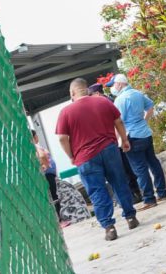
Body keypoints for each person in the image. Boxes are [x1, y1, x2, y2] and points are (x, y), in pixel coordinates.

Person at [55, 78, 139, 241]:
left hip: (85, 157)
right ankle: (130, 217)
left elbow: (62, 138)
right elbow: (118, 121)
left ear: (72, 93)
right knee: (119, 183)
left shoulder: (65, 112)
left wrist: (71, 156)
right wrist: (124, 140)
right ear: (86, 89)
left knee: (97, 191)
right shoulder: (103, 101)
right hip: (109, 150)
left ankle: (109, 228)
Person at [109, 73, 166, 210]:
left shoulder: (120, 100)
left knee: (140, 169)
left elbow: (119, 122)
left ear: (120, 84)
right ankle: (162, 192)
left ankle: (149, 199)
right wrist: (144, 121)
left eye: (113, 84)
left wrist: (119, 139)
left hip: (132, 136)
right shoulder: (137, 93)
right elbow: (150, 107)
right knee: (153, 163)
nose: (113, 87)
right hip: (145, 133)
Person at [90, 80, 144, 204]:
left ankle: (133, 195)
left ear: (97, 93)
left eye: (91, 95)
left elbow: (116, 122)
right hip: (118, 139)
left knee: (123, 170)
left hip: (116, 141)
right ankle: (136, 193)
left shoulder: (104, 104)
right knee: (127, 168)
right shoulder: (109, 101)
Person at [32, 129, 63, 222]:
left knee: (53, 195)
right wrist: (46, 165)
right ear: (34, 137)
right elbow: (42, 156)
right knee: (54, 196)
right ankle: (59, 219)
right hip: (47, 174)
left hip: (49, 174)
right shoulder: (35, 146)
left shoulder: (35, 146)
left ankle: (59, 218)